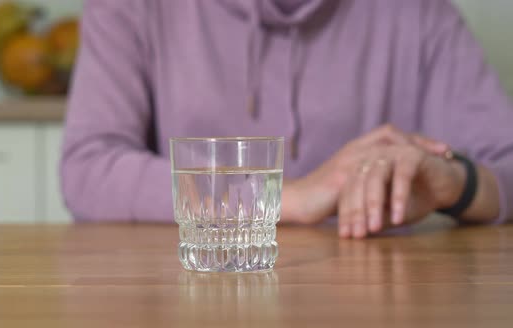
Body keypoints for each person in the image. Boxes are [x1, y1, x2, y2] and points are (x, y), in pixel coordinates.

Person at [62, 0, 513, 238]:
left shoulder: (419, 12)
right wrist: (287, 197)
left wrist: (455, 184)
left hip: (368, 304)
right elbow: (87, 168)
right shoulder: (132, 6)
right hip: (187, 299)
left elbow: (505, 162)